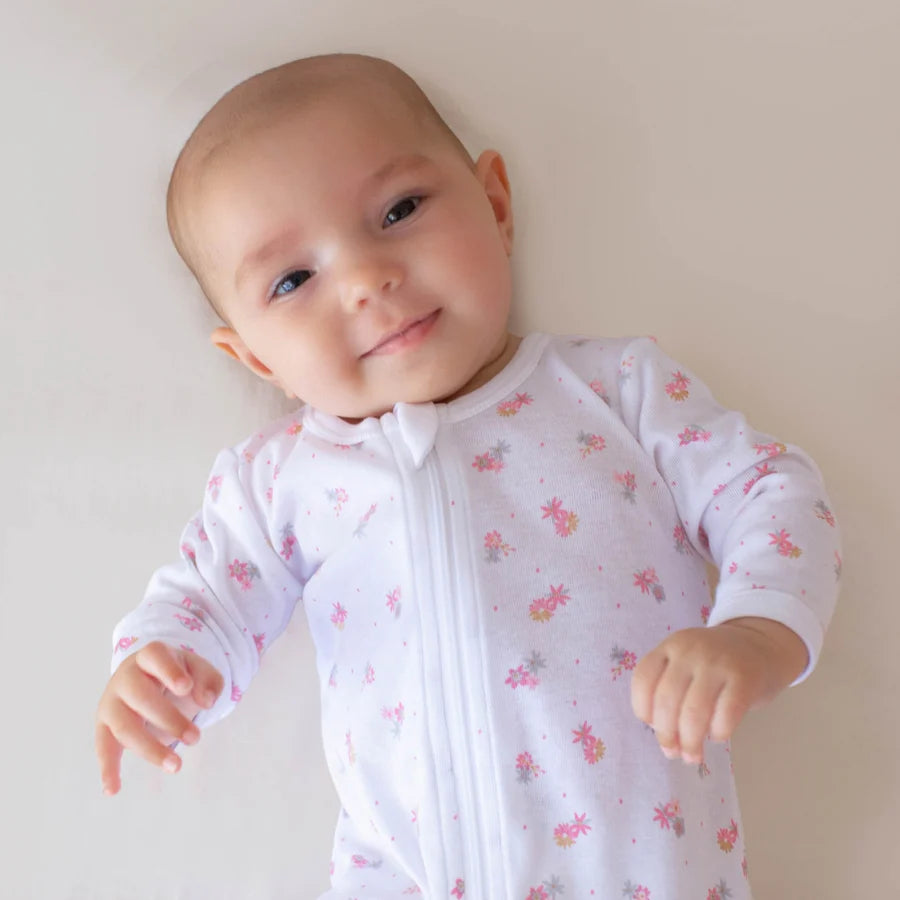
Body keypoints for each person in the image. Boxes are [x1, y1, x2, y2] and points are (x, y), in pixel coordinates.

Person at [95, 53, 841, 899]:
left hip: (636, 869)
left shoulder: (614, 391)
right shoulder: (278, 482)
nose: (367, 280)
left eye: (399, 210)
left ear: (494, 204)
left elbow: (770, 492)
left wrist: (755, 631)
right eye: (294, 279)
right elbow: (208, 597)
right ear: (254, 357)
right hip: (403, 872)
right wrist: (164, 665)